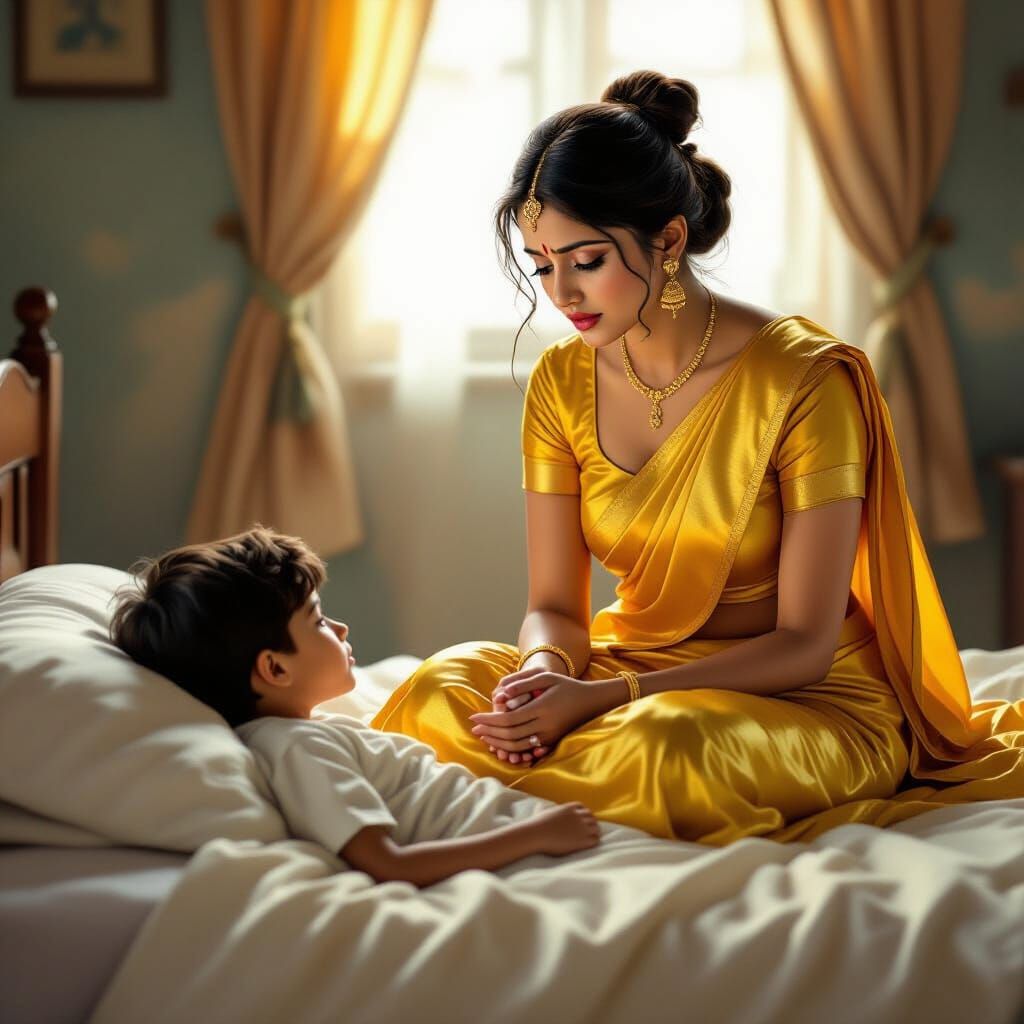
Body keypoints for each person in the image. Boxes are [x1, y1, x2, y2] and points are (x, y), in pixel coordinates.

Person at [371, 69, 1024, 845]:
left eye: (585, 260)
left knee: (668, 746)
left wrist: (607, 702)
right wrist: (547, 671)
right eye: (541, 264)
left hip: (802, 696)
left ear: (669, 238)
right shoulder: (559, 381)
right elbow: (554, 606)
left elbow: (805, 645)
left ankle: (550, 784)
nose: (562, 294)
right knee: (439, 687)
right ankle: (565, 768)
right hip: (628, 670)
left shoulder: (807, 378)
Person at [109, 526, 621, 889]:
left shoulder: (308, 733)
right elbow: (386, 864)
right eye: (318, 621)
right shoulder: (295, 749)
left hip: (523, 826)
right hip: (522, 845)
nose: (342, 629)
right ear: (275, 670)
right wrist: (538, 834)